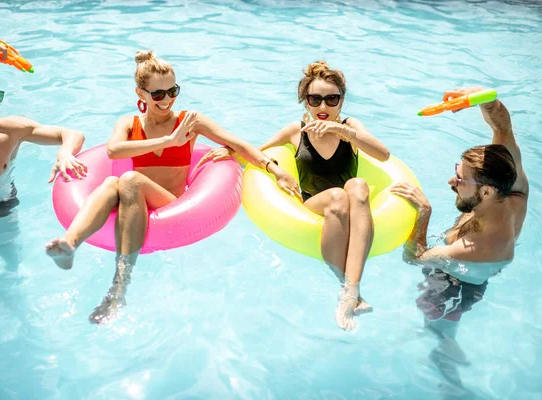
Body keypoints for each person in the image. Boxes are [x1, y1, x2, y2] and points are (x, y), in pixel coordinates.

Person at [45, 49, 299, 324]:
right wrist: (169, 141)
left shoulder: (190, 121)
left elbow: (239, 145)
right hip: (133, 198)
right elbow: (113, 151)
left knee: (128, 180)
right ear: (141, 94)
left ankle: (119, 287)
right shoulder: (128, 123)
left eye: (172, 91)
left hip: (170, 201)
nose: (166, 100)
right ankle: (69, 245)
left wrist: (275, 170)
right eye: (157, 94)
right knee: (110, 182)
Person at [210, 61, 390, 330]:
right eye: (315, 99)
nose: (323, 107)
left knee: (358, 185)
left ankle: (352, 291)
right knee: (338, 197)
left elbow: (383, 154)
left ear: (341, 102)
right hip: (315, 203)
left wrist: (342, 131)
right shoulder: (296, 131)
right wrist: (230, 152)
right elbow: (257, 154)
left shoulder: (350, 126)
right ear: (305, 101)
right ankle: (346, 288)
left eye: (332, 99)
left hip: (350, 199)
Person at [391, 87, 528, 390]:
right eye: (457, 171)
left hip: (457, 287)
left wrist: (424, 211)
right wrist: (485, 100)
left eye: (461, 180)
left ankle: (451, 377)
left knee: (436, 325)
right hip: (459, 260)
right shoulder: (513, 185)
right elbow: (502, 126)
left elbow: (412, 257)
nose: (451, 181)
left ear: (487, 192)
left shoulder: (475, 247)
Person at [0, 41, 87, 294]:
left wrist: (64, 151)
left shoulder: (11, 131)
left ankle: (11, 294)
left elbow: (71, 133)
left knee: (11, 259)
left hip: (1, 204)